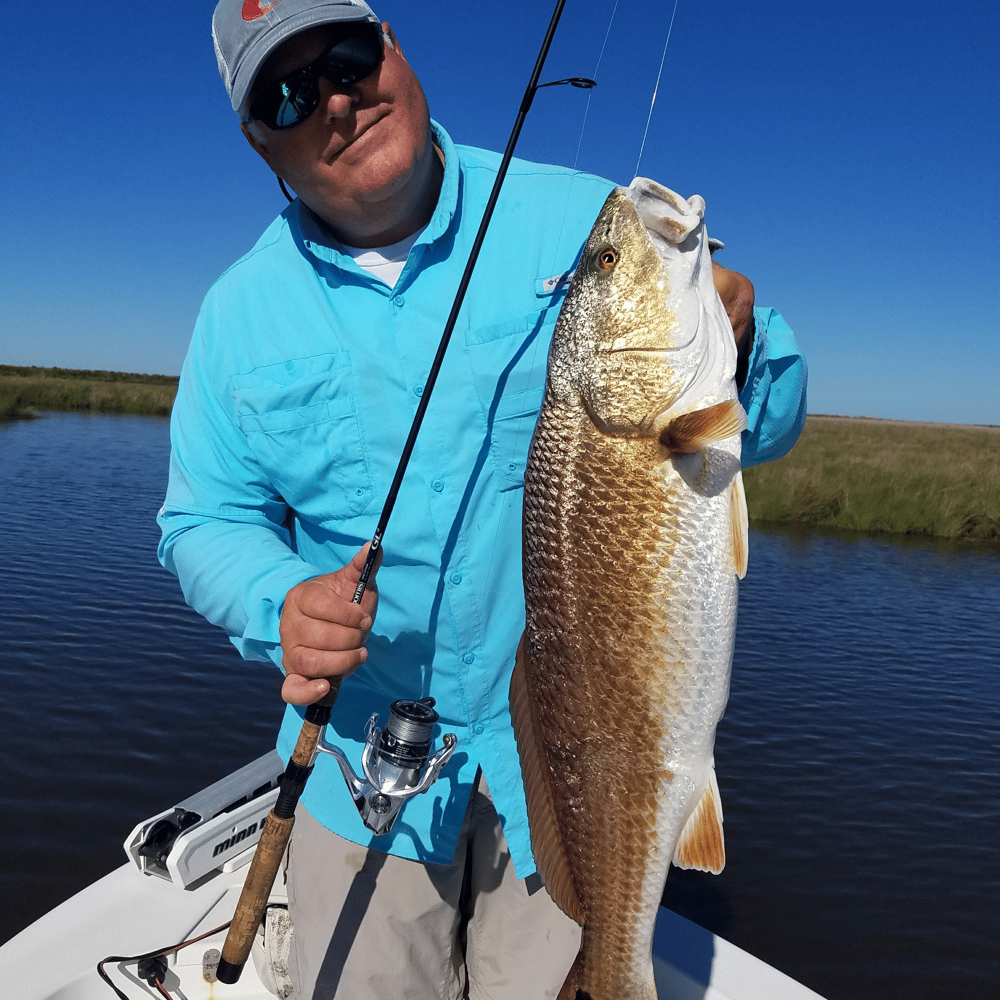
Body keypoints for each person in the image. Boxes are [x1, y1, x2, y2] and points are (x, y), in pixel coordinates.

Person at [158, 2, 808, 997]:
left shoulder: (588, 224)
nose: (335, 98)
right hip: (360, 769)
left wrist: (739, 338)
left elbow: (755, 426)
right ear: (261, 143)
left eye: (346, 56)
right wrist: (276, 601)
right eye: (289, 92)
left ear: (396, 52)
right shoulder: (237, 315)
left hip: (574, 757)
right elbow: (203, 522)